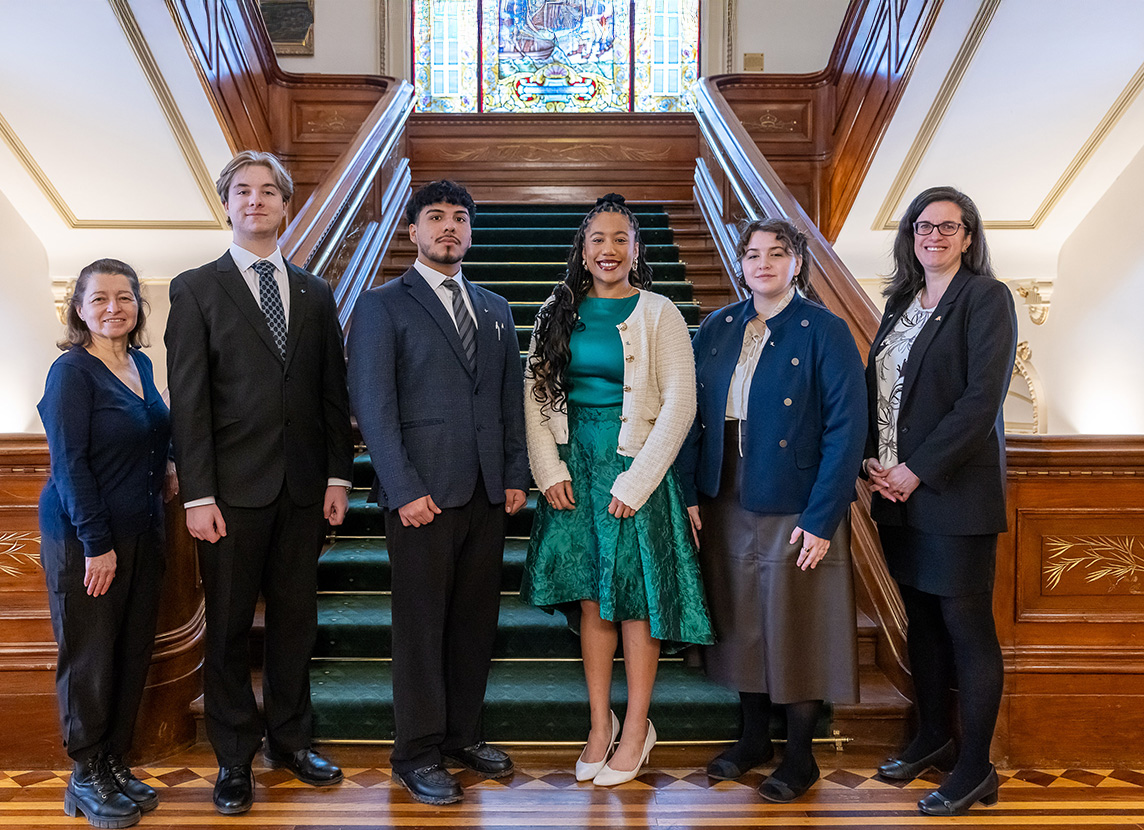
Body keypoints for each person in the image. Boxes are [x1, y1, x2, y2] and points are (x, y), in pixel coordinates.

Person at [165, 151, 354, 815]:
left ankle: (292, 741)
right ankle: (234, 759)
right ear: (227, 205)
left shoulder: (316, 291)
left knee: (295, 625)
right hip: (228, 498)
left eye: (267, 191)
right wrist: (197, 494)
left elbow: (334, 392)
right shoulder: (194, 289)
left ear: (284, 204)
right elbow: (188, 401)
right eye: (242, 191)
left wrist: (338, 474)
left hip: (304, 491)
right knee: (225, 635)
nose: (255, 201)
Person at [521, 193, 713, 787]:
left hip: (636, 469)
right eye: (598, 239)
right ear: (583, 250)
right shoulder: (556, 310)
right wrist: (549, 470)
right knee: (589, 597)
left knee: (632, 599)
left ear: (637, 250)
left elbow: (682, 404)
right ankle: (598, 725)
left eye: (621, 240)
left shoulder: (660, 313)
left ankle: (636, 728)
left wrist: (638, 479)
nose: (609, 250)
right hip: (574, 465)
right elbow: (534, 395)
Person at [348, 180, 530, 806]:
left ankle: (461, 735)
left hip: (485, 493)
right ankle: (417, 752)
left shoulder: (496, 307)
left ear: (470, 233)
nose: (449, 227)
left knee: (475, 623)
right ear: (413, 232)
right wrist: (401, 487)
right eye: (435, 217)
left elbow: (509, 399)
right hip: (420, 494)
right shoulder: (381, 305)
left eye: (459, 219)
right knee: (421, 627)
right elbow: (373, 405)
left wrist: (514, 474)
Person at [678, 218, 867, 803]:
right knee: (742, 620)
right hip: (725, 492)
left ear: (797, 263)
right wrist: (687, 491)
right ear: (740, 263)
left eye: (775, 254)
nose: (762, 264)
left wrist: (822, 516)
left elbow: (846, 428)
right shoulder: (715, 326)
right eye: (752, 254)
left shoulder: (824, 330)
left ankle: (802, 756)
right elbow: (688, 413)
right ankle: (754, 738)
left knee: (796, 623)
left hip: (796, 495)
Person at [864, 186, 1016, 817]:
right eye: (923, 227)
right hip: (896, 492)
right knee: (920, 619)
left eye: (948, 227)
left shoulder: (986, 298)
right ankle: (931, 737)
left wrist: (917, 471)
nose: (934, 236)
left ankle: (975, 768)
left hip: (953, 494)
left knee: (966, 627)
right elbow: (880, 389)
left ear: (969, 237)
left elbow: (981, 400)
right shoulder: (901, 302)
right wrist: (873, 459)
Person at [38, 258, 178, 829]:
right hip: (86, 538)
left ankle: (114, 761)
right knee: (91, 655)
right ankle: (85, 772)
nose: (113, 308)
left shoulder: (141, 363)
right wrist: (97, 544)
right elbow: (69, 466)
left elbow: (151, 432)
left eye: (124, 297)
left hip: (143, 530)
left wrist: (167, 461)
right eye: (99, 299)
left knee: (129, 650)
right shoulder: (71, 371)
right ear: (78, 308)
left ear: (139, 307)